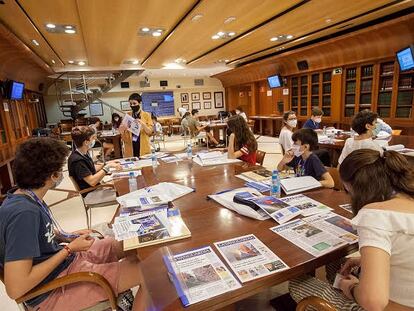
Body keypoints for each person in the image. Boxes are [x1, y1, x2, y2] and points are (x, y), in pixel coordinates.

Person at [0, 138, 144, 311]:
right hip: (52, 290)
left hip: (66, 263)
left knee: (127, 247)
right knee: (145, 271)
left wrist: (66, 236)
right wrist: (68, 249)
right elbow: (16, 288)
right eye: (60, 170)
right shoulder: (23, 214)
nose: (61, 174)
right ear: (53, 176)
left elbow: (37, 235)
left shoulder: (25, 196)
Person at [289, 148, 414, 311]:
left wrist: (351, 288)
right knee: (336, 265)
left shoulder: (375, 215)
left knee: (297, 283)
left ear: (356, 187)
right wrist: (365, 260)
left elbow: (373, 301)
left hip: (389, 306)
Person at [68, 126, 120, 193]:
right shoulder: (77, 161)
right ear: (86, 142)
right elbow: (92, 182)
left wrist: (106, 163)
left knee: (120, 182)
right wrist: (107, 167)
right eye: (93, 138)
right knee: (122, 188)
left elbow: (91, 168)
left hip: (96, 188)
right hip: (91, 193)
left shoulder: (83, 153)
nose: (95, 139)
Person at [119, 93, 153, 157]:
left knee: (145, 164)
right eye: (130, 104)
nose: (132, 105)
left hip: (143, 144)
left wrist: (143, 124)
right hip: (130, 145)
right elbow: (123, 134)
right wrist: (122, 130)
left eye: (134, 103)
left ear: (139, 103)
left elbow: (150, 132)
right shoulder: (128, 115)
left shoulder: (146, 115)